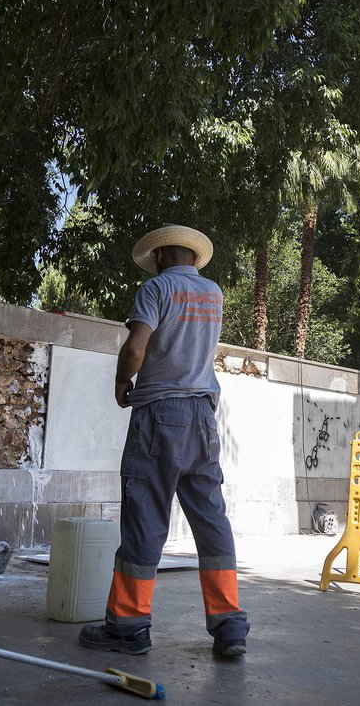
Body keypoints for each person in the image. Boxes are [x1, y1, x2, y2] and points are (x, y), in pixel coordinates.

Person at [78, 224, 250, 658]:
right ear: (193, 257)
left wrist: (121, 380)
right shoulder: (213, 293)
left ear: (159, 256)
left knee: (145, 519)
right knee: (212, 520)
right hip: (203, 419)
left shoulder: (155, 289)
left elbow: (136, 348)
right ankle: (229, 624)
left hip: (159, 416)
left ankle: (129, 626)